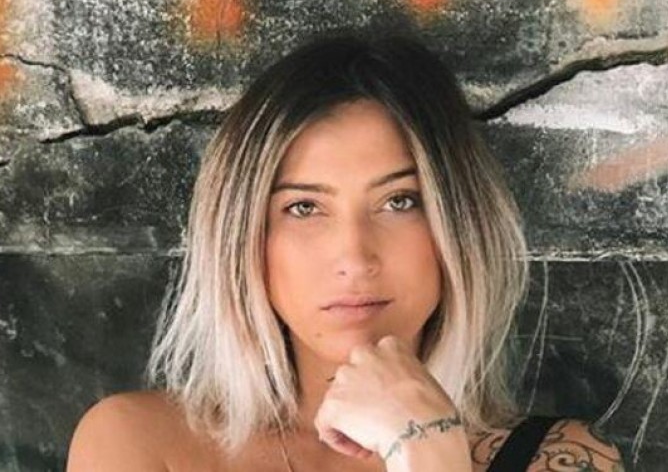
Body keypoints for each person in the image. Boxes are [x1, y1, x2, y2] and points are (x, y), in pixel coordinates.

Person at [67, 34, 624, 471]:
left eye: (400, 201)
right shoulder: (138, 444)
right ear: (241, 237)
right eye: (304, 207)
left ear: (459, 225)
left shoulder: (561, 458)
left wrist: (429, 452)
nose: (355, 258)